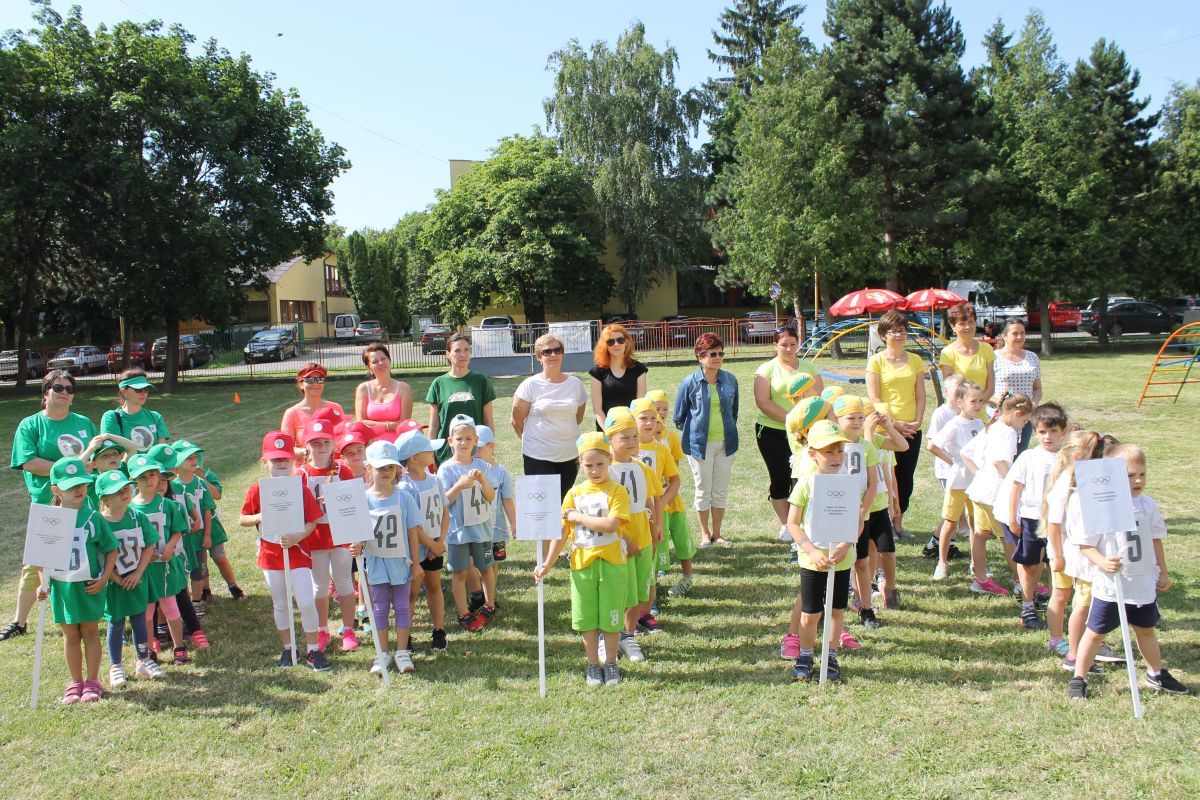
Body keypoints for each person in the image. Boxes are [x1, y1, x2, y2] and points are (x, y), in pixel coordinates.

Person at [1069, 443, 1191, 698]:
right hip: (1112, 585)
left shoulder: (1147, 505)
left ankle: (1156, 673)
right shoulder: (1103, 508)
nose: (1138, 481)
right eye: (1130, 475)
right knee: (1096, 632)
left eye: (1142, 474)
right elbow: (1086, 545)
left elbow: (1155, 540)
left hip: (1142, 583)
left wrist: (1163, 572)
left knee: (1145, 629)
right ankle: (1079, 677)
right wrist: (1102, 562)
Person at [4, 371, 97, 642]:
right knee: (37, 562)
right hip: (47, 503)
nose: (64, 392)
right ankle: (19, 621)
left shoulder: (83, 423)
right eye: (58, 387)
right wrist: (73, 469)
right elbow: (29, 462)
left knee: (91, 556)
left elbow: (96, 459)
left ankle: (105, 615)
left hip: (83, 502)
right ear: (46, 392)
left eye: (70, 388)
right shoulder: (30, 425)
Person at [533, 432, 632, 687]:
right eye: (589, 465)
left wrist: (578, 517)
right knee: (587, 619)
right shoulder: (574, 494)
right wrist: (547, 563)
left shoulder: (617, 491)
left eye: (600, 464)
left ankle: (611, 663)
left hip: (612, 564)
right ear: (580, 464)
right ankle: (592, 665)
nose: (595, 470)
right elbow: (561, 533)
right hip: (582, 565)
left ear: (609, 461)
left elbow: (611, 524)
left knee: (611, 617)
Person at [239, 431, 327, 670]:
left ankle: (313, 649)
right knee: (281, 604)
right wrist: (259, 516)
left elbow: (313, 521)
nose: (280, 463)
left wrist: (297, 537)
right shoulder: (257, 490)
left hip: (298, 553)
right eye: (275, 459)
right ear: (264, 461)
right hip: (271, 555)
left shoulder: (301, 488)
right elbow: (243, 519)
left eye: (285, 459)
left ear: (293, 460)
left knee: (306, 602)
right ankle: (289, 648)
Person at [779, 421, 860, 682]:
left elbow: (858, 519)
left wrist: (846, 544)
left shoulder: (849, 484)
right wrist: (812, 552)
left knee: (836, 611)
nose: (836, 457)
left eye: (840, 450)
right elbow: (792, 523)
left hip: (841, 560)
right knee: (811, 612)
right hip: (812, 561)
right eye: (828, 451)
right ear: (812, 454)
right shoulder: (805, 484)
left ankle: (830, 656)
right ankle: (805, 655)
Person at [1044, 430, 1125, 673]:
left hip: (1083, 553)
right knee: (1075, 601)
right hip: (1070, 554)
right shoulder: (1065, 484)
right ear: (1078, 457)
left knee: (1085, 603)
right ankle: (1072, 652)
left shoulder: (1085, 480)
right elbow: (1053, 524)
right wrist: (1058, 556)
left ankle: (1087, 645)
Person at [40, 458, 117, 704]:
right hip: (62, 590)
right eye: (71, 486)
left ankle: (93, 681)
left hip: (88, 587)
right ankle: (76, 682)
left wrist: (104, 578)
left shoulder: (94, 518)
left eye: (82, 484)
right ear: (56, 490)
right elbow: (40, 557)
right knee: (70, 635)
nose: (78, 490)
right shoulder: (48, 520)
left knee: (90, 632)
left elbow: (111, 550)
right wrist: (43, 583)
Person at [832, 395, 908, 633]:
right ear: (837, 419)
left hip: (865, 511)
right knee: (844, 561)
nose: (857, 422)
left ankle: (868, 606)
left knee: (866, 560)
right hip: (841, 512)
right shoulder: (832, 444)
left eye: (860, 417)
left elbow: (873, 483)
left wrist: (862, 512)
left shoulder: (867, 445)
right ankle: (837, 605)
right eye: (851, 418)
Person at [351, 440, 424, 676]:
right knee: (380, 607)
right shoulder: (363, 499)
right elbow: (359, 532)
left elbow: (412, 532)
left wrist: (416, 563)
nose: (385, 472)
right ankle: (382, 652)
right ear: (369, 468)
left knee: (402, 606)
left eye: (390, 467)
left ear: (397, 469)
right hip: (376, 562)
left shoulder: (404, 498)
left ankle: (402, 651)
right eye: (380, 467)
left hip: (400, 562)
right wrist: (357, 545)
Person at [995, 403, 1067, 632]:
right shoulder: (1029, 457)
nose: (1048, 437)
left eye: (1053, 431)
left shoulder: (1067, 458)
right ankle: (1028, 607)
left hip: (1059, 520)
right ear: (1035, 432)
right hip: (1031, 517)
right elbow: (1015, 488)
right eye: (1043, 431)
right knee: (1030, 564)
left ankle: (1057, 607)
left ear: (1063, 432)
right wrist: (1012, 519)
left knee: (1057, 563)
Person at [294, 418, 359, 653]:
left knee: (344, 582)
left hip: (339, 534)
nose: (321, 447)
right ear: (307, 446)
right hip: (314, 537)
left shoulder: (343, 471)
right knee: (319, 586)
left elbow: (353, 503)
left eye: (326, 442)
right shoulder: (301, 474)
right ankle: (322, 629)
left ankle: (348, 629)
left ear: (333, 444)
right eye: (316, 443)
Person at [96, 468, 164, 687]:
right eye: (118, 491)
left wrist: (137, 573)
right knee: (115, 623)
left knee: (139, 619)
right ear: (105, 498)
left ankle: (143, 659)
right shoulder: (100, 522)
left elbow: (149, 545)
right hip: (113, 583)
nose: (125, 493)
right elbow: (98, 556)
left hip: (137, 579)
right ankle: (116, 665)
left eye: (126, 488)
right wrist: (115, 578)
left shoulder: (137, 516)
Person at [754, 326, 823, 536]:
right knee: (780, 478)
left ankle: (804, 520)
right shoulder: (766, 369)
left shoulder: (809, 368)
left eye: (793, 344)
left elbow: (819, 397)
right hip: (772, 432)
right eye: (783, 344)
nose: (789, 348)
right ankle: (786, 524)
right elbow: (763, 402)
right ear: (775, 345)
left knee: (804, 476)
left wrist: (804, 424)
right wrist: (793, 420)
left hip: (806, 433)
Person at [605, 407, 662, 656]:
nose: (632, 442)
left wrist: (655, 527)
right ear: (610, 439)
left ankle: (629, 636)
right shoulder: (606, 470)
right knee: (622, 589)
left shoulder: (642, 468)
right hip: (620, 536)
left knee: (639, 588)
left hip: (643, 534)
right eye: (624, 437)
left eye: (634, 436)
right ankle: (611, 634)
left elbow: (649, 500)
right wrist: (625, 538)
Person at [964, 393, 1033, 596]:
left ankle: (980, 580)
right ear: (1016, 414)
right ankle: (1022, 582)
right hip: (994, 494)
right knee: (1008, 539)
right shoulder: (1008, 432)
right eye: (1024, 421)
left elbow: (967, 453)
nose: (1023, 426)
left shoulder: (992, 426)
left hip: (979, 490)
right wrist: (1013, 483)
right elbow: (999, 461)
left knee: (980, 534)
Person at [673, 332, 738, 547]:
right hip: (699, 446)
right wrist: (696, 432)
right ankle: (704, 533)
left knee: (719, 491)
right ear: (700, 357)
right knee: (703, 491)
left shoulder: (730, 380)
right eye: (712, 354)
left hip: (726, 444)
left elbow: (734, 411)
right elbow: (679, 417)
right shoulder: (689, 383)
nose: (718, 357)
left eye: (720, 353)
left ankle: (717, 533)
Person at [865, 311, 927, 535]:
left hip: (911, 428)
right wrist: (893, 424)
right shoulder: (876, 361)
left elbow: (920, 394)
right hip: (886, 428)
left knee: (905, 478)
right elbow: (874, 397)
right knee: (887, 477)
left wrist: (917, 421)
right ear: (883, 335)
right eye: (894, 331)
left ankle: (899, 522)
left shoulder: (915, 360)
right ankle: (886, 524)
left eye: (902, 330)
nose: (900, 334)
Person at [436, 414, 497, 632]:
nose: (464, 443)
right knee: (459, 572)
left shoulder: (483, 466)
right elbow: (443, 501)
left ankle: (490, 605)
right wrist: (460, 485)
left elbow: (490, 496)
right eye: (459, 439)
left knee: (486, 567)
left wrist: (482, 480)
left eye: (469, 439)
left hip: (481, 529)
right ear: (450, 441)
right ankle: (464, 613)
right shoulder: (446, 469)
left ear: (476, 441)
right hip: (458, 531)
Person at [128, 454, 190, 666]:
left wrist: (170, 546)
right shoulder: (131, 509)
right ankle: (148, 649)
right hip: (143, 568)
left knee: (170, 605)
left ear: (158, 477)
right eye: (142, 477)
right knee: (147, 610)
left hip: (165, 565)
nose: (148, 480)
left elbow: (178, 530)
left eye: (152, 475)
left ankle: (179, 646)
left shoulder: (168, 505)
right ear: (134, 480)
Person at [512, 334, 588, 499]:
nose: (553, 355)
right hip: (538, 456)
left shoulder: (575, 384)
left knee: (562, 501)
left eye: (557, 350)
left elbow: (578, 418)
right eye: (547, 352)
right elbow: (516, 421)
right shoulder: (529, 385)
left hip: (569, 455)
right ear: (539, 357)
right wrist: (531, 440)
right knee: (544, 505)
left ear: (562, 353)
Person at [396, 429, 449, 652]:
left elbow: (445, 512)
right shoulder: (405, 487)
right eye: (428, 450)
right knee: (412, 592)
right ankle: (405, 635)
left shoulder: (435, 480)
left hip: (435, 546)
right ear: (415, 458)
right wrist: (431, 544)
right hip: (415, 550)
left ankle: (439, 630)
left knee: (434, 585)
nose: (433, 453)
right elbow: (413, 525)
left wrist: (440, 542)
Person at [928, 380, 986, 580]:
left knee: (976, 525)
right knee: (951, 522)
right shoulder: (953, 424)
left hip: (976, 481)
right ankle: (942, 563)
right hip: (959, 480)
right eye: (973, 401)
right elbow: (933, 446)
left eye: (980, 401)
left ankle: (976, 564)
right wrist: (953, 462)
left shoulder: (979, 424)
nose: (978, 405)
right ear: (960, 402)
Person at [631, 398, 687, 607]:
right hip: (630, 513)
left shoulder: (662, 449)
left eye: (653, 418)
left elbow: (675, 479)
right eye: (643, 418)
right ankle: (632, 599)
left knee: (651, 552)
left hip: (654, 510)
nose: (649, 423)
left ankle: (649, 600)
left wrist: (662, 502)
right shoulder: (624, 447)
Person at [645, 390, 696, 594]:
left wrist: (668, 496)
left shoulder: (670, 440)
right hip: (654, 506)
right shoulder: (638, 448)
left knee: (682, 539)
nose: (661, 413)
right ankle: (652, 591)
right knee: (658, 545)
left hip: (671, 501)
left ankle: (687, 578)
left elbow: (673, 473)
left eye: (664, 408)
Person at [427, 333, 497, 464]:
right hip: (446, 454)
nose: (463, 354)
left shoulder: (481, 381)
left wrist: (489, 449)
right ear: (448, 354)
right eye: (457, 350)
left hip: (476, 453)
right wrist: (430, 453)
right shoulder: (438, 383)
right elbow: (434, 424)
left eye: (466, 350)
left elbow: (488, 421)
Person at [922, 374, 964, 559]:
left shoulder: (965, 412)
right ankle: (934, 544)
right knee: (953, 510)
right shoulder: (941, 413)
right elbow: (932, 443)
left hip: (962, 470)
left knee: (956, 510)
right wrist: (951, 462)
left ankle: (948, 545)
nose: (961, 392)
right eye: (957, 389)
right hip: (948, 470)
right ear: (946, 391)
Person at [991, 320, 1043, 452]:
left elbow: (1037, 388)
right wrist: (1000, 401)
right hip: (1002, 418)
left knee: (1019, 456)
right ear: (1004, 335)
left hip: (1025, 419)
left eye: (1022, 333)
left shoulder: (1032, 357)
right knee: (1000, 456)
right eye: (1015, 333)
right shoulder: (992, 358)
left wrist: (1033, 404)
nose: (1020, 337)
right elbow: (985, 389)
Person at [938, 302, 995, 421]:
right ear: (953, 326)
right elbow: (950, 390)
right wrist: (967, 412)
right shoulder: (947, 353)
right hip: (957, 416)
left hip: (980, 416)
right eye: (962, 324)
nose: (968, 327)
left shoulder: (987, 349)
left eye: (971, 322)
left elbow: (990, 387)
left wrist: (976, 406)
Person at [281, 363, 345, 462]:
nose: (315, 383)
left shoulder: (336, 408)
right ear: (301, 384)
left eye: (320, 379)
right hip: (305, 466)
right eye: (310, 380)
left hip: (335, 465)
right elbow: (285, 449)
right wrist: (307, 452)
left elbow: (345, 439)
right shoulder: (292, 413)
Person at [589, 323, 648, 430]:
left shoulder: (638, 369)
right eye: (610, 342)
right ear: (605, 346)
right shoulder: (597, 371)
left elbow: (640, 406)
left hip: (631, 429)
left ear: (626, 342)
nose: (616, 344)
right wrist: (609, 432)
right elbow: (598, 410)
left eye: (620, 340)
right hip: (606, 429)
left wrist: (631, 430)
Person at [100, 370, 169, 451]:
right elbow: (113, 452)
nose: (143, 393)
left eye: (146, 389)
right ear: (124, 392)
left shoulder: (155, 417)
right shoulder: (112, 417)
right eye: (138, 390)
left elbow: (162, 451)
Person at [355, 343, 414, 436]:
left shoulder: (404, 388)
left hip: (398, 442)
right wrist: (389, 425)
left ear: (389, 360)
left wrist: (374, 424)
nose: (381, 363)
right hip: (371, 442)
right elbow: (360, 422)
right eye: (375, 361)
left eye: (383, 359)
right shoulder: (363, 389)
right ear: (369, 367)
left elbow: (404, 424)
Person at [475, 426, 515, 563]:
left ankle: (493, 578)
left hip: (497, 528)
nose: (475, 452)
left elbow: (507, 500)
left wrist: (514, 523)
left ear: (491, 446)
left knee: (496, 560)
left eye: (478, 448)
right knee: (480, 560)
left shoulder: (501, 473)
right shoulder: (470, 470)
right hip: (477, 528)